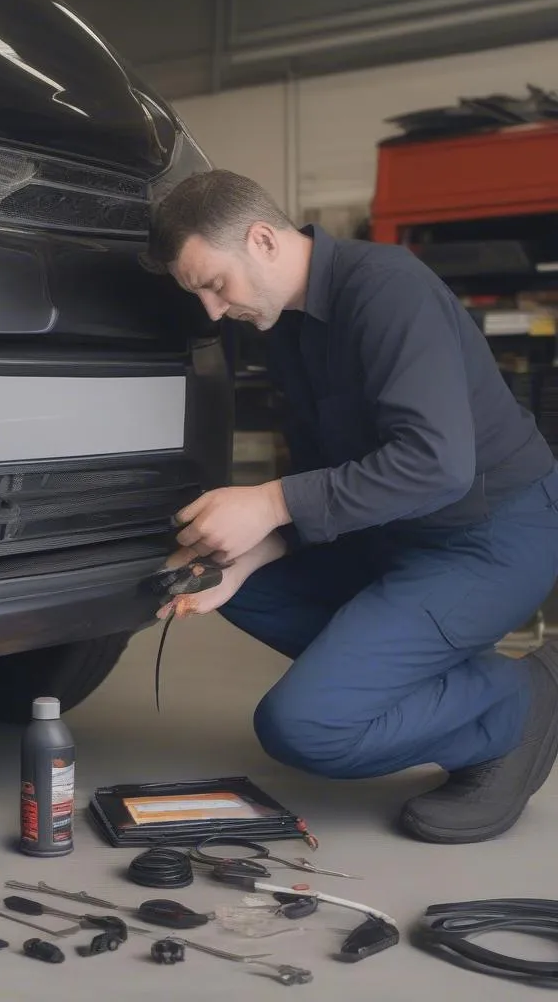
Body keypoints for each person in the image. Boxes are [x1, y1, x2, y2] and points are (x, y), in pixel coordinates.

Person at [144, 169, 558, 844]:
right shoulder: (284, 328)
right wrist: (255, 550)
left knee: (303, 725)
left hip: (490, 538)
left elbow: (436, 464)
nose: (214, 311)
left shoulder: (386, 289)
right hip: (395, 535)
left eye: (214, 284)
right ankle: (420, 669)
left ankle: (516, 704)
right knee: (221, 573)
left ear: (262, 241)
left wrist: (271, 501)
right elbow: (326, 480)